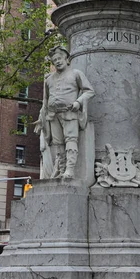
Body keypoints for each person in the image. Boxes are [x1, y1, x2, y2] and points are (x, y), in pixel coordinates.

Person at [34, 46, 95, 179]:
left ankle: (70, 170)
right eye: (54, 59)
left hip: (70, 113)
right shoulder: (49, 79)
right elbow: (46, 100)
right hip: (53, 115)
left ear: (66, 58)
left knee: (71, 140)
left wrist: (78, 102)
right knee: (58, 144)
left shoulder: (76, 74)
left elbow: (89, 91)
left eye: (60, 58)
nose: (57, 61)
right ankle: (62, 170)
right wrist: (42, 118)